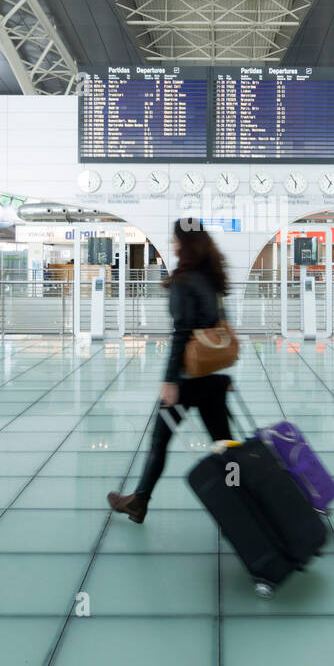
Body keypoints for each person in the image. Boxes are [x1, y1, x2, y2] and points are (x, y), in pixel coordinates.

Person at [108, 219, 234, 524]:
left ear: (185, 244)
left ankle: (139, 501)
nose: (173, 244)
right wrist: (224, 376)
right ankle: (243, 495)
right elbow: (221, 329)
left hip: (187, 380)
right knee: (225, 445)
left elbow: (181, 333)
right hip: (213, 377)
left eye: (175, 240)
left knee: (159, 443)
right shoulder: (212, 277)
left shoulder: (184, 280)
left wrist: (169, 381)